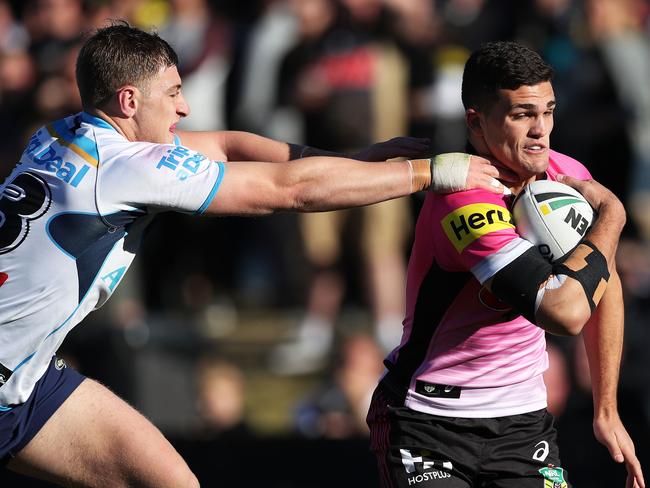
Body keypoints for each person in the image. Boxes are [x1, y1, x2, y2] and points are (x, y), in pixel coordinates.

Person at [0, 22, 510, 487]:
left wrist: (346, 161)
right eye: (174, 93)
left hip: (23, 378)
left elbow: (225, 144)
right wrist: (430, 174)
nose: (184, 108)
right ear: (129, 101)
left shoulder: (60, 135)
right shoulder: (127, 168)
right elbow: (287, 192)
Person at [366, 41, 645, 488]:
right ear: (476, 121)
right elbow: (566, 312)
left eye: (548, 112)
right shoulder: (464, 200)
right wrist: (613, 214)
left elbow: (600, 280)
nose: (541, 131)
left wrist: (605, 409)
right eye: (522, 115)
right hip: (429, 420)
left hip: (523, 423)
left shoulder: (566, 175)